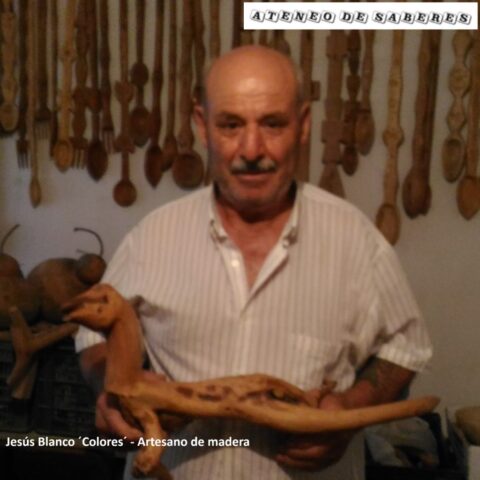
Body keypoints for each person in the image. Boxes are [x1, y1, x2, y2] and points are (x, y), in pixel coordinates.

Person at [75, 45, 432, 480]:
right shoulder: (151, 237)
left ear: (303, 124)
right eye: (230, 125)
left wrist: (350, 410)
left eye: (272, 124)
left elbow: (406, 348)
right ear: (202, 126)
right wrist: (110, 390)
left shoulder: (357, 242)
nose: (251, 149)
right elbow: (90, 336)